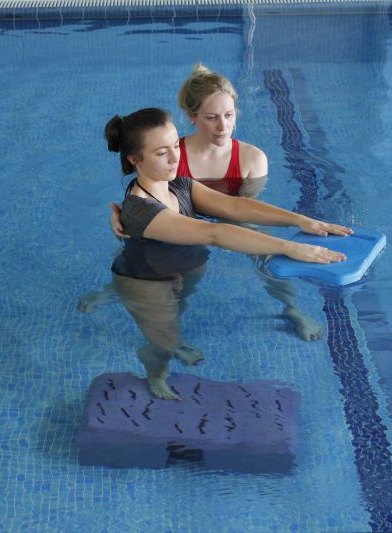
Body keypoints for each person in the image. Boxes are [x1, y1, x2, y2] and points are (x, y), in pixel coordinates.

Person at [104, 107, 351, 400]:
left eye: (174, 146)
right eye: (161, 153)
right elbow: (215, 233)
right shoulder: (140, 212)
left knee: (175, 316)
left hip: (185, 266)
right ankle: (156, 369)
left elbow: (234, 206)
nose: (174, 158)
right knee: (162, 341)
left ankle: (171, 340)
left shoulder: (179, 185)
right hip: (148, 284)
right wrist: (291, 247)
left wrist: (299, 220)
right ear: (135, 159)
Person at [82, 63, 328, 341]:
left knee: (263, 255)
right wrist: (121, 213)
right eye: (212, 117)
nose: (222, 126)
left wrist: (299, 220)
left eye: (229, 115)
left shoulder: (233, 164)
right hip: (176, 237)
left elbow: (237, 207)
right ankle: (122, 291)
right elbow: (169, 205)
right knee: (142, 263)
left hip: (208, 228)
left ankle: (290, 308)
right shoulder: (170, 164)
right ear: (192, 117)